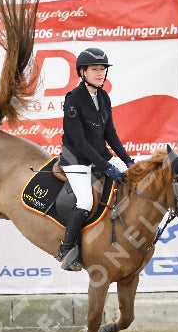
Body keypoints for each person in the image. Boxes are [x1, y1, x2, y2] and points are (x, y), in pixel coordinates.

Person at [57, 47, 134, 271]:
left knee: (135, 179)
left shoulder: (103, 96)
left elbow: (110, 134)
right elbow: (80, 142)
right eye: (94, 69)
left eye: (102, 69)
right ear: (82, 72)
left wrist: (127, 161)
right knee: (85, 202)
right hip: (76, 159)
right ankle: (66, 247)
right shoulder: (73, 99)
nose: (100, 73)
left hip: (100, 155)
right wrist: (104, 166)